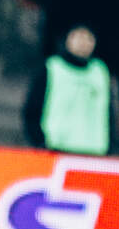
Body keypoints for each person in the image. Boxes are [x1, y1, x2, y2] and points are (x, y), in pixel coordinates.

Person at [22, 24, 112, 155]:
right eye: (78, 37)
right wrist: (39, 142)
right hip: (56, 149)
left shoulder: (100, 72)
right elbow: (32, 109)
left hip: (94, 152)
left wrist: (110, 145)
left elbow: (108, 113)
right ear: (67, 39)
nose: (83, 43)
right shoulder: (52, 68)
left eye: (89, 38)